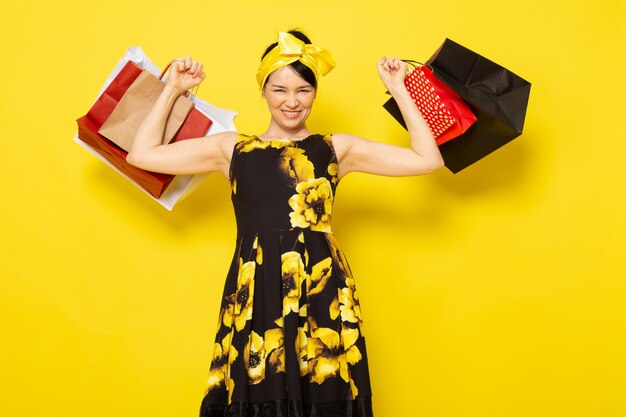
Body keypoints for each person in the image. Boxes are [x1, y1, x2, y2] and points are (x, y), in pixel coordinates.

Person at [127, 30, 443, 417]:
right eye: (279, 90)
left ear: (314, 93)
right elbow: (142, 154)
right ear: (262, 90)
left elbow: (428, 160)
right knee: (258, 389)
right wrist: (173, 88)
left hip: (321, 284)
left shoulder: (336, 149)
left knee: (324, 386)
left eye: (303, 91)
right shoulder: (231, 149)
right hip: (256, 284)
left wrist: (399, 88)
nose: (291, 102)